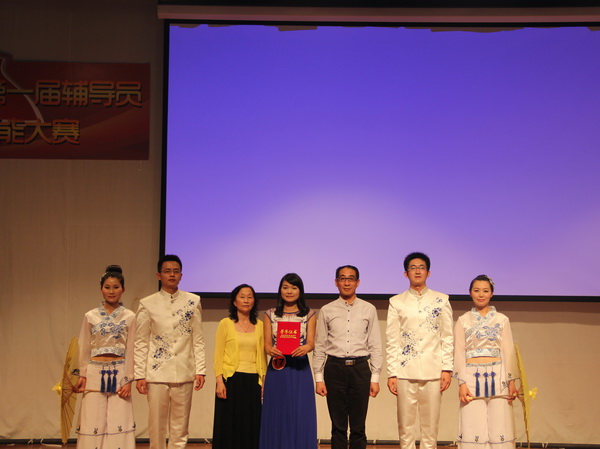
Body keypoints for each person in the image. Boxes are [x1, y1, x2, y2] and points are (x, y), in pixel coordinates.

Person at [134, 254, 206, 449]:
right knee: (156, 426)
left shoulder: (193, 301)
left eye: (175, 271)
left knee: (180, 427)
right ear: (159, 275)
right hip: (156, 374)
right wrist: (139, 374)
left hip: (184, 370)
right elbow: (141, 342)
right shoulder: (147, 303)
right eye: (167, 271)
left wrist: (200, 370)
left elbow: (198, 338)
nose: (172, 275)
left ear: (181, 275)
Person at [386, 252, 454, 449]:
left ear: (428, 272)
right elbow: (392, 340)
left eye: (421, 267)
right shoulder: (396, 302)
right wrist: (392, 373)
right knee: (405, 426)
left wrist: (447, 369)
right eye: (413, 268)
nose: (417, 271)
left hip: (433, 370)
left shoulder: (441, 300)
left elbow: (447, 337)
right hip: (405, 372)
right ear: (406, 273)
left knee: (430, 426)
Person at [313, 265, 383, 449]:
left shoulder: (369, 309)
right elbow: (320, 345)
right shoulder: (327, 310)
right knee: (338, 426)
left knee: (358, 426)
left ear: (357, 282)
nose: (346, 283)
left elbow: (375, 344)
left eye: (350, 279)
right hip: (334, 369)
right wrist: (319, 378)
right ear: (336, 282)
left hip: (360, 370)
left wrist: (375, 378)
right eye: (342, 278)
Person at [74, 265, 136, 449]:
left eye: (116, 287)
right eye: (107, 287)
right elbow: (84, 346)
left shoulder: (130, 316)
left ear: (123, 289)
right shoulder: (90, 316)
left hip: (120, 371)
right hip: (94, 372)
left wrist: (128, 379)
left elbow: (132, 349)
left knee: (119, 421)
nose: (111, 291)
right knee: (92, 420)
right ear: (101, 289)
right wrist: (82, 374)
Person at [453, 275, 519, 449]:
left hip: (499, 376)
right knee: (472, 424)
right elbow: (459, 352)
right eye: (476, 291)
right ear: (470, 293)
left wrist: (511, 381)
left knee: (500, 424)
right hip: (471, 377)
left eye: (485, 291)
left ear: (492, 293)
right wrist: (461, 383)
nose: (481, 295)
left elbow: (508, 351)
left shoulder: (502, 320)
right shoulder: (463, 320)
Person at [259, 273, 317, 449]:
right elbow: (266, 345)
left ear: (300, 291)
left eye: (293, 287)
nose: (289, 291)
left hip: (300, 368)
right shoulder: (269, 314)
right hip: (278, 368)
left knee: (300, 411)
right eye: (285, 287)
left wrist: (306, 348)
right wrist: (270, 350)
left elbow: (311, 342)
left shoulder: (310, 314)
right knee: (277, 410)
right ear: (280, 290)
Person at [212, 284, 267, 449]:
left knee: (251, 424)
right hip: (231, 379)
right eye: (242, 297)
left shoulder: (260, 325)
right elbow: (218, 355)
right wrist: (219, 381)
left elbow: (262, 357)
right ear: (235, 302)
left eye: (250, 297)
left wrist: (264, 381)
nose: (246, 300)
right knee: (229, 425)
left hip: (253, 381)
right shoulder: (225, 323)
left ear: (254, 301)